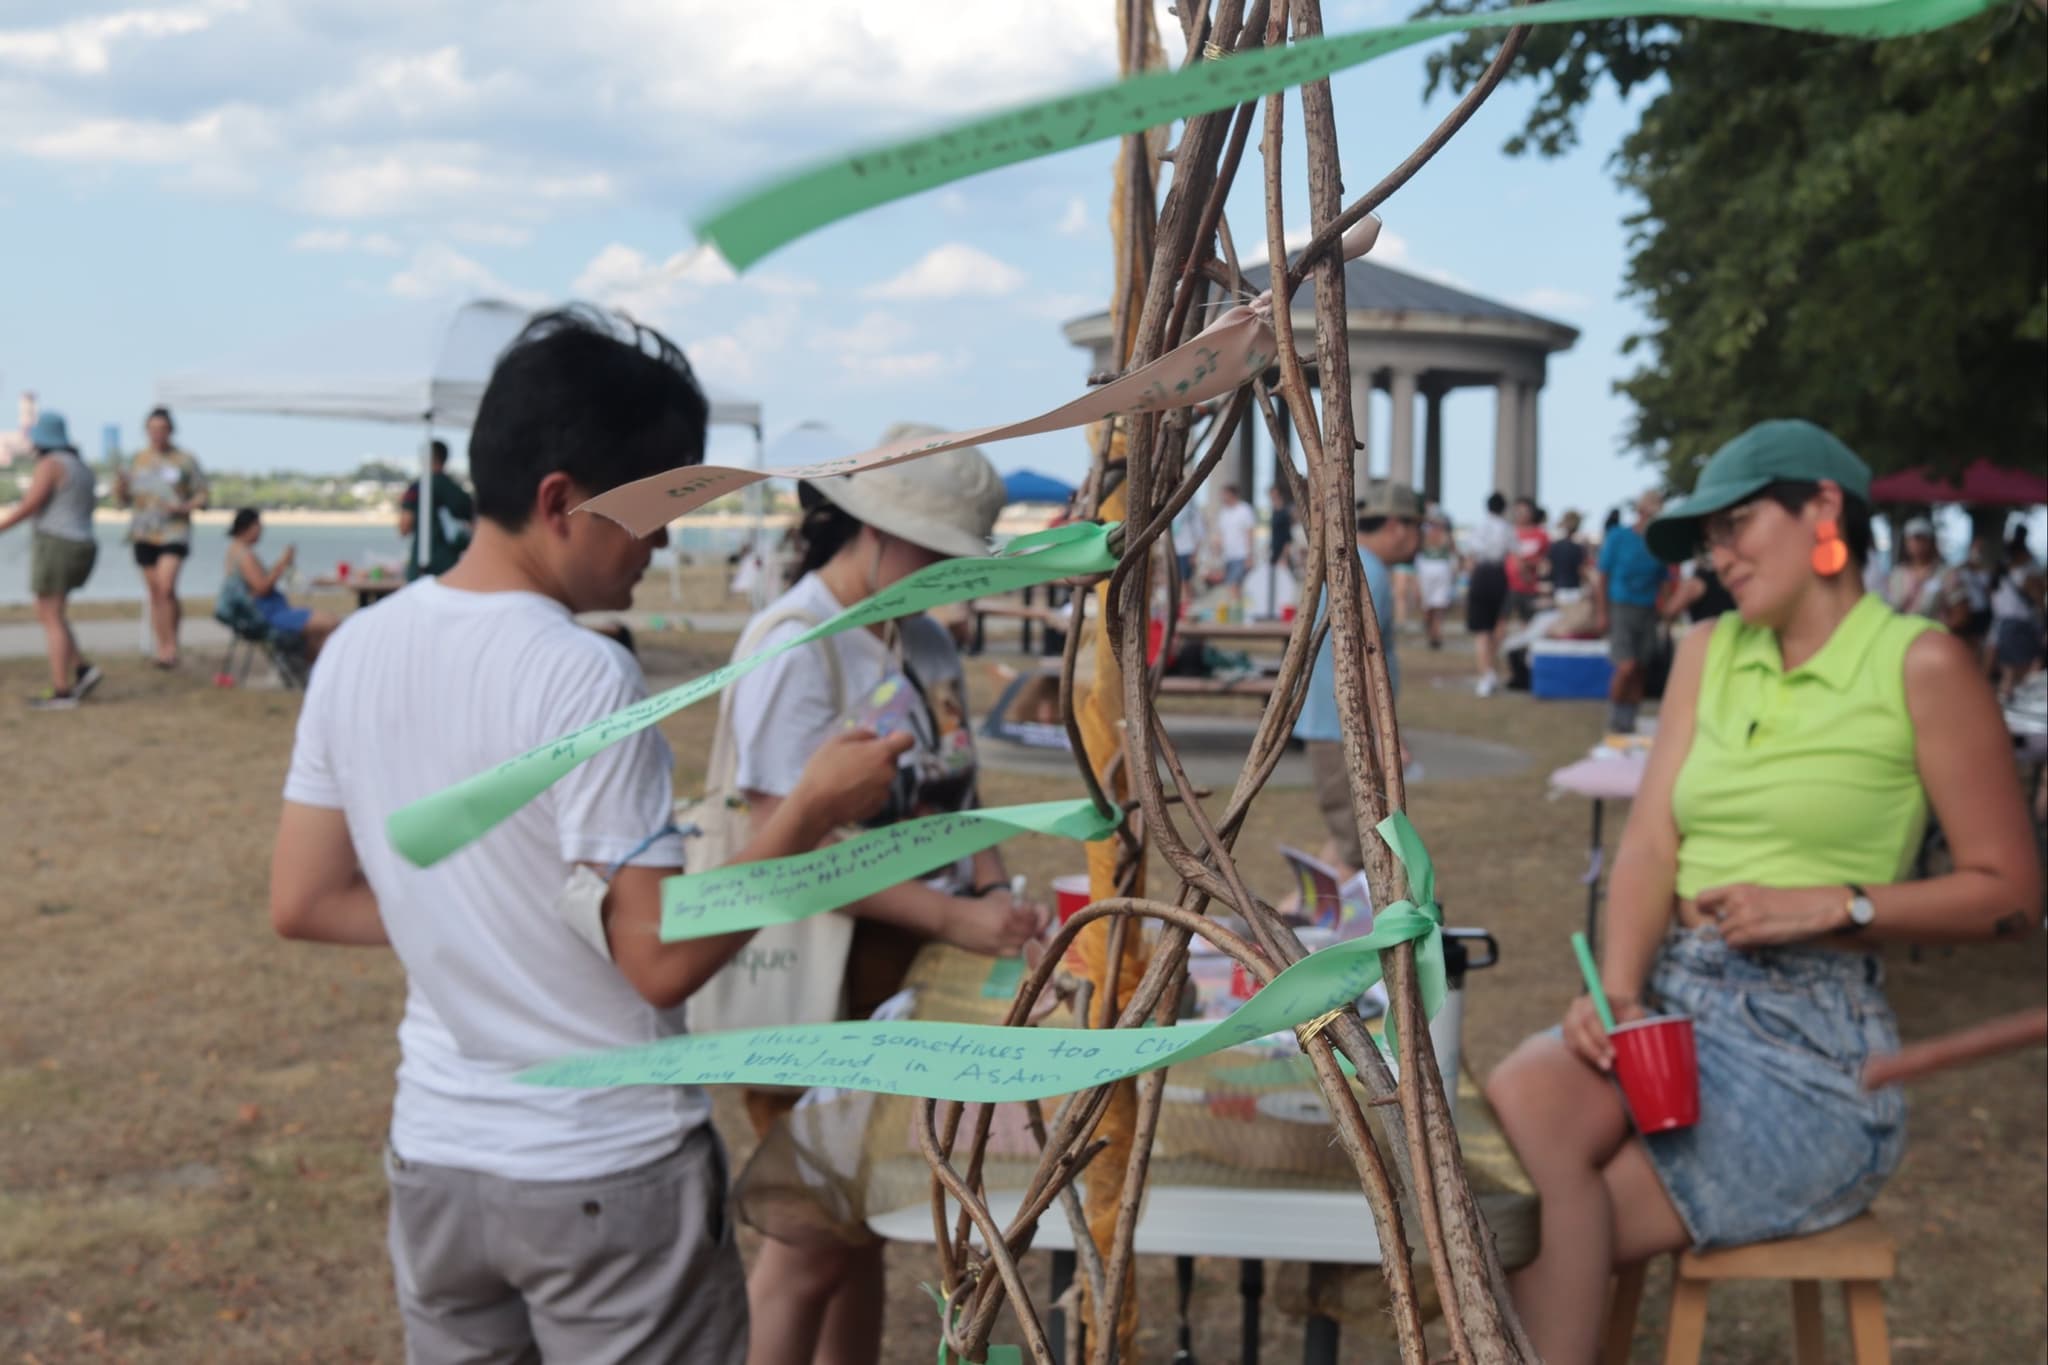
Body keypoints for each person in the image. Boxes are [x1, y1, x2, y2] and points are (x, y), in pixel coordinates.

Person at [267, 306, 913, 1365]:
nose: (661, 544)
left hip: (439, 1160)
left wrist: (480, 913)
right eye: (656, 511)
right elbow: (659, 962)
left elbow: (306, 899)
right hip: (602, 1166)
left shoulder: (357, 649)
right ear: (561, 500)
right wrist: (803, 813)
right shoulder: (582, 673)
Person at [1484, 420, 2041, 1365]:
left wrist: (1841, 903)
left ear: (1823, 507)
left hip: (1812, 1045)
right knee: (1521, 1097)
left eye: (1736, 524)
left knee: (1542, 1223)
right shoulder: (1709, 646)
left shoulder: (1920, 662)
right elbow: (1650, 841)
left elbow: (2013, 894)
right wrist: (1616, 992)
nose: (1719, 556)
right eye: (1708, 538)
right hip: (1672, 997)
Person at [727, 435, 1046, 1365]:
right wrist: (954, 916)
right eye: (933, 551)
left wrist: (995, 893)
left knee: (863, 1226)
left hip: (917, 978)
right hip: (822, 983)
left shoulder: (928, 640)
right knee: (809, 1243)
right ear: (872, 529)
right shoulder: (795, 644)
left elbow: (960, 794)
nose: (949, 577)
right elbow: (785, 843)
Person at [1292, 481, 1422, 875]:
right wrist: (1383, 736)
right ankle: (1319, 914)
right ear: (1396, 526)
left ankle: (1303, 908)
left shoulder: (1346, 562)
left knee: (1345, 839)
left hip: (1330, 726)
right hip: (1345, 731)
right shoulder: (1370, 574)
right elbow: (1361, 659)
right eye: (1417, 527)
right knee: (1360, 851)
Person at [0, 412, 102, 709]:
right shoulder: (81, 467)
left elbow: (31, 504)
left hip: (57, 544)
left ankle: (61, 690)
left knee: (50, 615)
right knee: (53, 611)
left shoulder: (50, 465)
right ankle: (82, 669)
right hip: (83, 544)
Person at [116, 406, 208, 669]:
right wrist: (121, 486)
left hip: (173, 532)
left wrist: (184, 507)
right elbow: (123, 500)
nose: (157, 434)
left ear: (171, 430)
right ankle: (162, 646)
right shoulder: (137, 460)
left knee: (166, 587)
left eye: (162, 429)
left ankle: (171, 646)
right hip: (144, 532)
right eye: (152, 429)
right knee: (155, 592)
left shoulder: (184, 460)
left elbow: (202, 495)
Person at [1595, 490, 1672, 734]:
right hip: (1621, 607)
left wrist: (1666, 611)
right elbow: (1602, 576)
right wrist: (1602, 612)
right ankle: (1615, 718)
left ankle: (1629, 720)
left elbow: (1665, 579)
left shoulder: (1659, 543)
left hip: (1647, 610)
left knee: (1640, 669)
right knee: (1625, 666)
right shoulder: (1618, 537)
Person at [221, 509, 341, 661]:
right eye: (259, 527)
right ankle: (317, 669)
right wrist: (283, 563)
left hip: (265, 612)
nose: (261, 531)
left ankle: (309, 667)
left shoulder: (235, 550)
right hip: (268, 615)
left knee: (319, 630)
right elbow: (262, 588)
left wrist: (281, 565)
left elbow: (257, 584)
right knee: (331, 622)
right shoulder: (244, 555)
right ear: (249, 527)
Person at [398, 439, 475, 580]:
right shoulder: (454, 489)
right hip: (451, 565)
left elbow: (404, 527)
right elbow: (475, 522)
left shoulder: (417, 488)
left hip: (422, 564)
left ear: (425, 458)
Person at [1463, 491, 1515, 697]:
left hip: (1481, 575)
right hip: (1499, 575)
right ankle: (1490, 669)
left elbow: (1470, 555)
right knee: (1498, 625)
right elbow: (1516, 553)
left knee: (1482, 630)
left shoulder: (1479, 527)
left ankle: (1486, 673)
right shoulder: (1507, 528)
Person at [1988, 531, 2045, 701]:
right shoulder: (2025, 574)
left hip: (2002, 626)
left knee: (2008, 673)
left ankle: (2002, 704)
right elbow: (2039, 601)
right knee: (2024, 673)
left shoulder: (1999, 574)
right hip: (2020, 627)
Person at [1883, 516, 1946, 617]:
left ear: (1931, 542)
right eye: (1912, 539)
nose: (1917, 544)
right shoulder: (1897, 573)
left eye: (1921, 539)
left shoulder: (1945, 573)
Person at [1414, 513, 1458, 650]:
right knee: (1431, 607)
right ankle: (1433, 634)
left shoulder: (1441, 537)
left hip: (1437, 569)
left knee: (1437, 606)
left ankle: (1436, 634)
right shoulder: (1427, 537)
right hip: (1432, 569)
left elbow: (1453, 554)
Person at [1504, 497, 1552, 623]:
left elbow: (1546, 562)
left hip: (1530, 587)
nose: (1521, 515)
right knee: (1501, 621)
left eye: (1525, 511)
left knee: (1529, 623)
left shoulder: (1541, 534)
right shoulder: (1508, 532)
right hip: (1507, 586)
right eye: (1518, 511)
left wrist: (1529, 566)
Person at [1215, 482, 1256, 611]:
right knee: (1232, 585)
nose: (1222, 498)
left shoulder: (1244, 510)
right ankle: (1238, 610)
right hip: (1228, 555)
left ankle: (1237, 611)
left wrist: (1249, 555)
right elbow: (1221, 534)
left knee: (1233, 584)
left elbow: (1249, 533)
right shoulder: (1223, 513)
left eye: (1225, 494)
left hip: (1241, 555)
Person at [1266, 483, 1297, 616]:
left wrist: (1284, 556)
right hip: (1274, 552)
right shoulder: (1274, 511)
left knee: (1286, 583)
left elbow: (1287, 537)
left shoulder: (1284, 513)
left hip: (1282, 553)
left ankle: (1287, 611)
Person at [1548, 509, 1589, 602]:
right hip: (1574, 590)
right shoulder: (1577, 547)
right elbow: (1581, 570)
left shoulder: (1555, 545)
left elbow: (1548, 567)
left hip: (1558, 589)